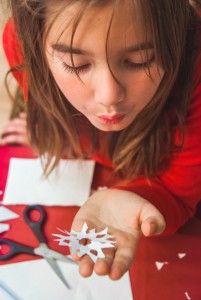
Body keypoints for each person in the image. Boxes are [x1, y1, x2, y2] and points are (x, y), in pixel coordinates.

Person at [2, 0, 201, 281]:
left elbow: (179, 197)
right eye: (76, 64)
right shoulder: (20, 41)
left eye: (139, 60)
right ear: (36, 48)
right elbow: (57, 123)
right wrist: (48, 131)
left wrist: (137, 198)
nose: (109, 96)